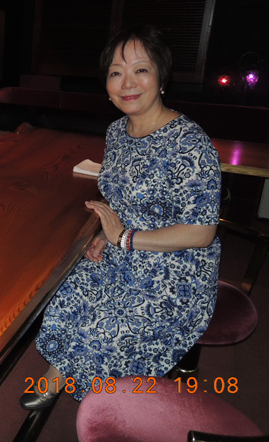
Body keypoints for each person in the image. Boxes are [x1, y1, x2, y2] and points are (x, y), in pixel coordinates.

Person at [20, 25, 221, 409]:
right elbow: (124, 204)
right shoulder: (117, 132)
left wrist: (123, 237)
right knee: (61, 292)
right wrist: (104, 234)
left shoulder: (190, 143)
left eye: (140, 70)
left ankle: (105, 407)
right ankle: (61, 372)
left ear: (161, 77)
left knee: (104, 329)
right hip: (124, 250)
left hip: (176, 272)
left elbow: (202, 232)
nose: (127, 83)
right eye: (116, 73)